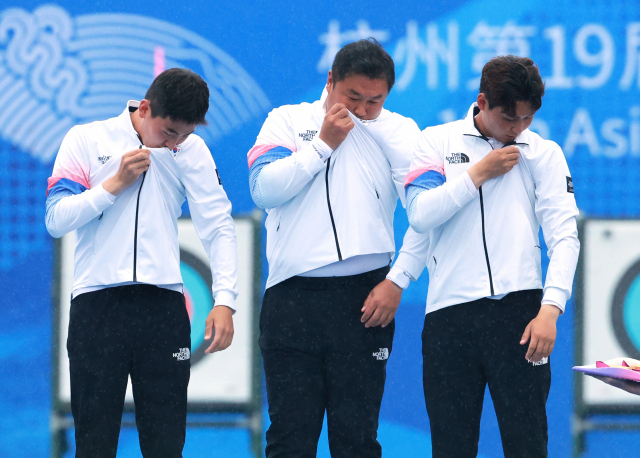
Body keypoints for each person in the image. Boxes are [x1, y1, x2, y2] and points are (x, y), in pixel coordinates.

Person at [247, 38, 428, 458]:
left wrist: (398, 280)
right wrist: (322, 144)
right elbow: (262, 190)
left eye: (374, 100)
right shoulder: (287, 120)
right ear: (330, 82)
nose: (363, 110)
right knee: (290, 438)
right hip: (292, 300)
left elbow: (427, 214)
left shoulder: (400, 132)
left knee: (357, 439)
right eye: (353, 97)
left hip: (365, 299)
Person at [45, 68, 238, 458]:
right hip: (97, 307)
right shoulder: (87, 138)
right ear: (145, 108)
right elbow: (56, 218)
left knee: (166, 445)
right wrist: (113, 185)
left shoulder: (192, 150)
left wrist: (225, 299)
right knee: (94, 444)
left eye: (186, 134)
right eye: (169, 133)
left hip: (163, 309)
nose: (175, 143)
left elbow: (218, 226)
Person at [405, 55, 580, 458]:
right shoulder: (436, 142)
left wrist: (550, 309)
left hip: (519, 316)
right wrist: (477, 174)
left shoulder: (544, 153)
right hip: (450, 317)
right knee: (451, 448)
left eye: (528, 119)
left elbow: (564, 236)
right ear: (482, 102)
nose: (518, 129)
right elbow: (420, 214)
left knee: (528, 445)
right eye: (509, 119)